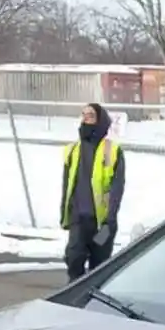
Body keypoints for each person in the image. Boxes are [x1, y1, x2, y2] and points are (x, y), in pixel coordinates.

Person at [61, 102, 126, 279]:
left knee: (100, 267)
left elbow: (117, 186)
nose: (86, 118)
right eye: (84, 115)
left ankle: (94, 302)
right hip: (78, 219)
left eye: (91, 115)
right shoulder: (73, 150)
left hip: (102, 222)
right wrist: (65, 213)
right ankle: (75, 298)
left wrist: (110, 218)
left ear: (100, 119)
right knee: (74, 259)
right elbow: (67, 185)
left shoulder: (111, 151)